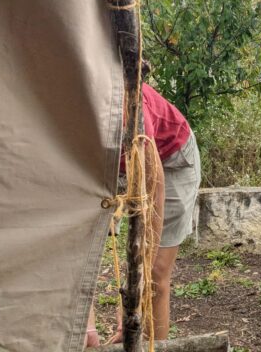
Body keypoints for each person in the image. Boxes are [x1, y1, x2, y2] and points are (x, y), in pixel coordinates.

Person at [86, 82, 201, 346]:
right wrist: (87, 328)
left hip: (171, 160)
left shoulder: (127, 107)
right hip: (110, 165)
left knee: (155, 277)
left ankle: (150, 344)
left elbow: (153, 191)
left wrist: (132, 303)